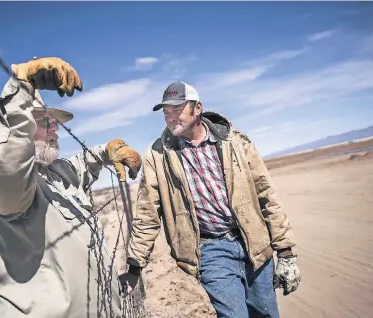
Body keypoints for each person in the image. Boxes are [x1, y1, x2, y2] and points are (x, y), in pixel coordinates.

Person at [0, 56, 142, 318]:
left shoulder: (54, 173)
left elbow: (83, 163)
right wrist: (21, 89)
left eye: (55, 122)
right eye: (44, 122)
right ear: (18, 128)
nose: (55, 129)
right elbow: (5, 162)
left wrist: (107, 151)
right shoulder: (1, 184)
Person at [119, 81, 301, 317]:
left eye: (177, 110)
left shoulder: (235, 141)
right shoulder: (158, 155)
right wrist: (134, 268)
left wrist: (285, 252)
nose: (171, 118)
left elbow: (266, 194)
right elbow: (147, 214)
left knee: (266, 314)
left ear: (197, 109)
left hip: (255, 242)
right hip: (210, 250)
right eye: (166, 113)